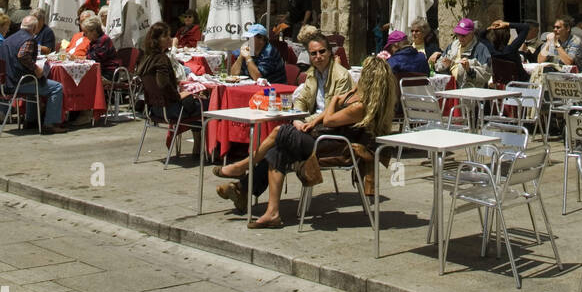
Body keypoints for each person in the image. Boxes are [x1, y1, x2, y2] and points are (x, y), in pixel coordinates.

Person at [215, 55, 397, 227]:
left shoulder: (360, 106)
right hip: (325, 138)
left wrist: (334, 100)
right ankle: (270, 211)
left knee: (280, 131)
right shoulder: (357, 95)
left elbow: (330, 120)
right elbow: (325, 117)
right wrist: (313, 123)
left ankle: (243, 166)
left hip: (333, 147)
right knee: (277, 151)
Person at [136, 22, 203, 152]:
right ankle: (208, 148)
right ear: (156, 40)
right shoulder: (161, 59)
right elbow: (163, 85)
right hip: (169, 110)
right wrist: (178, 96)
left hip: (153, 109)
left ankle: (198, 145)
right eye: (165, 36)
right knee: (204, 106)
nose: (169, 39)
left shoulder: (146, 58)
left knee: (194, 102)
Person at [0, 15, 67, 133]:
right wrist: (36, 69)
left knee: (34, 84)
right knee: (56, 87)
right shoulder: (29, 39)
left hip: (5, 82)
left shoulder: (8, 39)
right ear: (34, 28)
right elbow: (23, 55)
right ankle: (50, 124)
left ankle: (31, 120)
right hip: (16, 83)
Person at [292, 34, 354, 115]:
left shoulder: (341, 76)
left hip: (330, 123)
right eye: (313, 53)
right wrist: (297, 118)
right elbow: (301, 100)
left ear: (329, 52)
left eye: (322, 51)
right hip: (312, 120)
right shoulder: (312, 74)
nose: (318, 56)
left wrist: (307, 121)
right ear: (309, 56)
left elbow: (336, 109)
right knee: (280, 128)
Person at [431, 17, 492, 87]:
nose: (460, 38)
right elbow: (438, 66)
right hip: (450, 88)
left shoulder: (481, 49)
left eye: (463, 35)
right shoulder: (453, 46)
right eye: (458, 34)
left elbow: (486, 75)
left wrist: (469, 70)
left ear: (472, 33)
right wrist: (444, 65)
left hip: (471, 91)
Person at [83, 15, 124, 86]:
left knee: (83, 80)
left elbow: (93, 59)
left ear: (94, 31)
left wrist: (77, 58)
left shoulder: (104, 40)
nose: (85, 35)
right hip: (100, 71)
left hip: (109, 73)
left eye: (86, 32)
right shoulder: (93, 42)